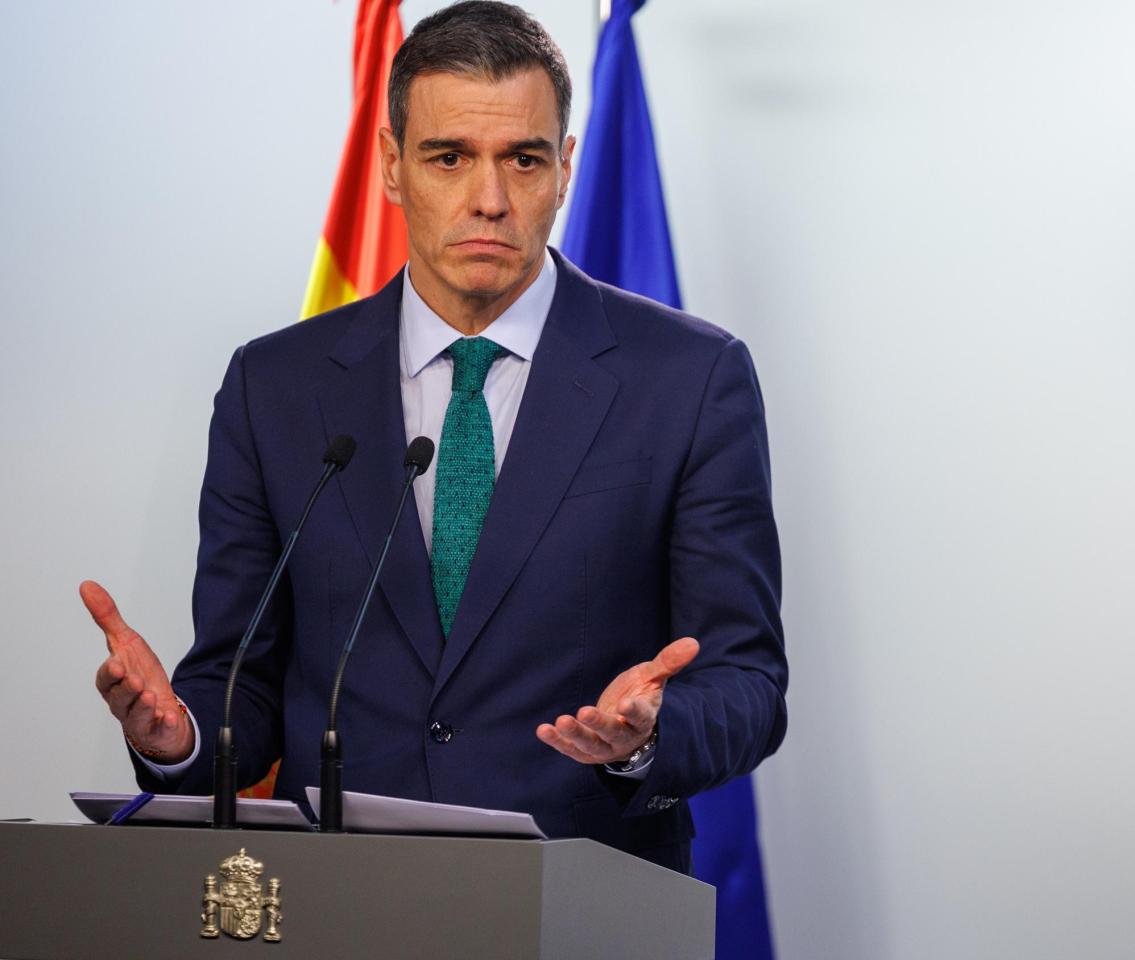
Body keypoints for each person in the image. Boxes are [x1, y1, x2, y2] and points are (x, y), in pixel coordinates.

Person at [84, 0, 785, 874]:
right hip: (338, 904)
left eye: (523, 160)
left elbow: (748, 685)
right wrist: (177, 737)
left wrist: (647, 737)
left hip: (583, 899)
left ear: (565, 169)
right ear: (391, 165)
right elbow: (244, 680)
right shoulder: (276, 387)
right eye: (449, 157)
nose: (488, 199)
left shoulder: (689, 378)